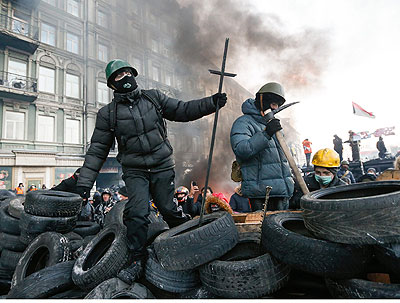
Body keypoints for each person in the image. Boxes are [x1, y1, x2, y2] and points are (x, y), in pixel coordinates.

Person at [75, 59, 227, 284]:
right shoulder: (108, 114)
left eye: (127, 72)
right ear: (111, 84)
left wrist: (210, 102)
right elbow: (97, 151)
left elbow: (182, 110)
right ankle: (137, 259)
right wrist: (84, 184)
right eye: (118, 76)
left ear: (133, 74)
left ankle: (190, 244)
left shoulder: (153, 97)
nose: (124, 77)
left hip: (162, 165)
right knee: (136, 213)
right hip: (135, 170)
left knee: (169, 209)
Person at [230, 82, 294, 212]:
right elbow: (242, 149)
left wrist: (291, 182)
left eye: (278, 105)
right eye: (273, 104)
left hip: (282, 192)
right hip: (260, 193)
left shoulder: (274, 125)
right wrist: (266, 134)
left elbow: (283, 159)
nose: (275, 108)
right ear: (263, 100)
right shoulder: (243, 123)